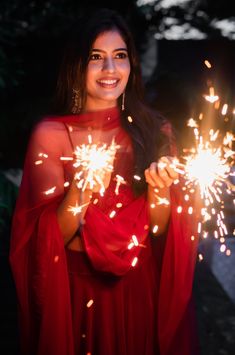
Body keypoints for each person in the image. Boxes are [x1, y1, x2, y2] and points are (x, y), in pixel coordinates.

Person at [9, 7, 200, 355]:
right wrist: (79, 195)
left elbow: (158, 233)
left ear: (132, 64)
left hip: (139, 291)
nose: (110, 69)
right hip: (76, 295)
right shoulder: (51, 135)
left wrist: (159, 190)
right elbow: (43, 241)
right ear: (76, 64)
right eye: (96, 57)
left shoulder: (156, 132)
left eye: (120, 56)